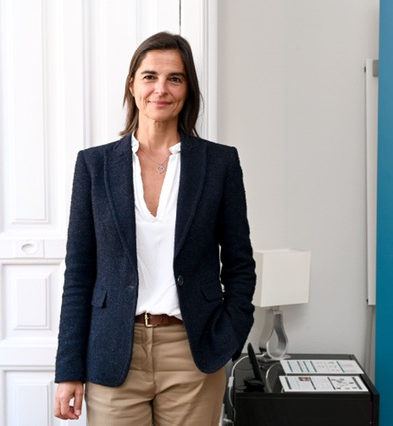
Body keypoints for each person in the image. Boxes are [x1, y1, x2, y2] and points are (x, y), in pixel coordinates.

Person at [53, 31, 256, 425]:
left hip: (192, 351)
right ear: (132, 85)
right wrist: (68, 369)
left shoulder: (219, 164)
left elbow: (239, 264)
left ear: (187, 89)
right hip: (113, 351)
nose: (161, 89)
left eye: (174, 78)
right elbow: (79, 273)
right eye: (150, 77)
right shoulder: (94, 166)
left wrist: (228, 338)